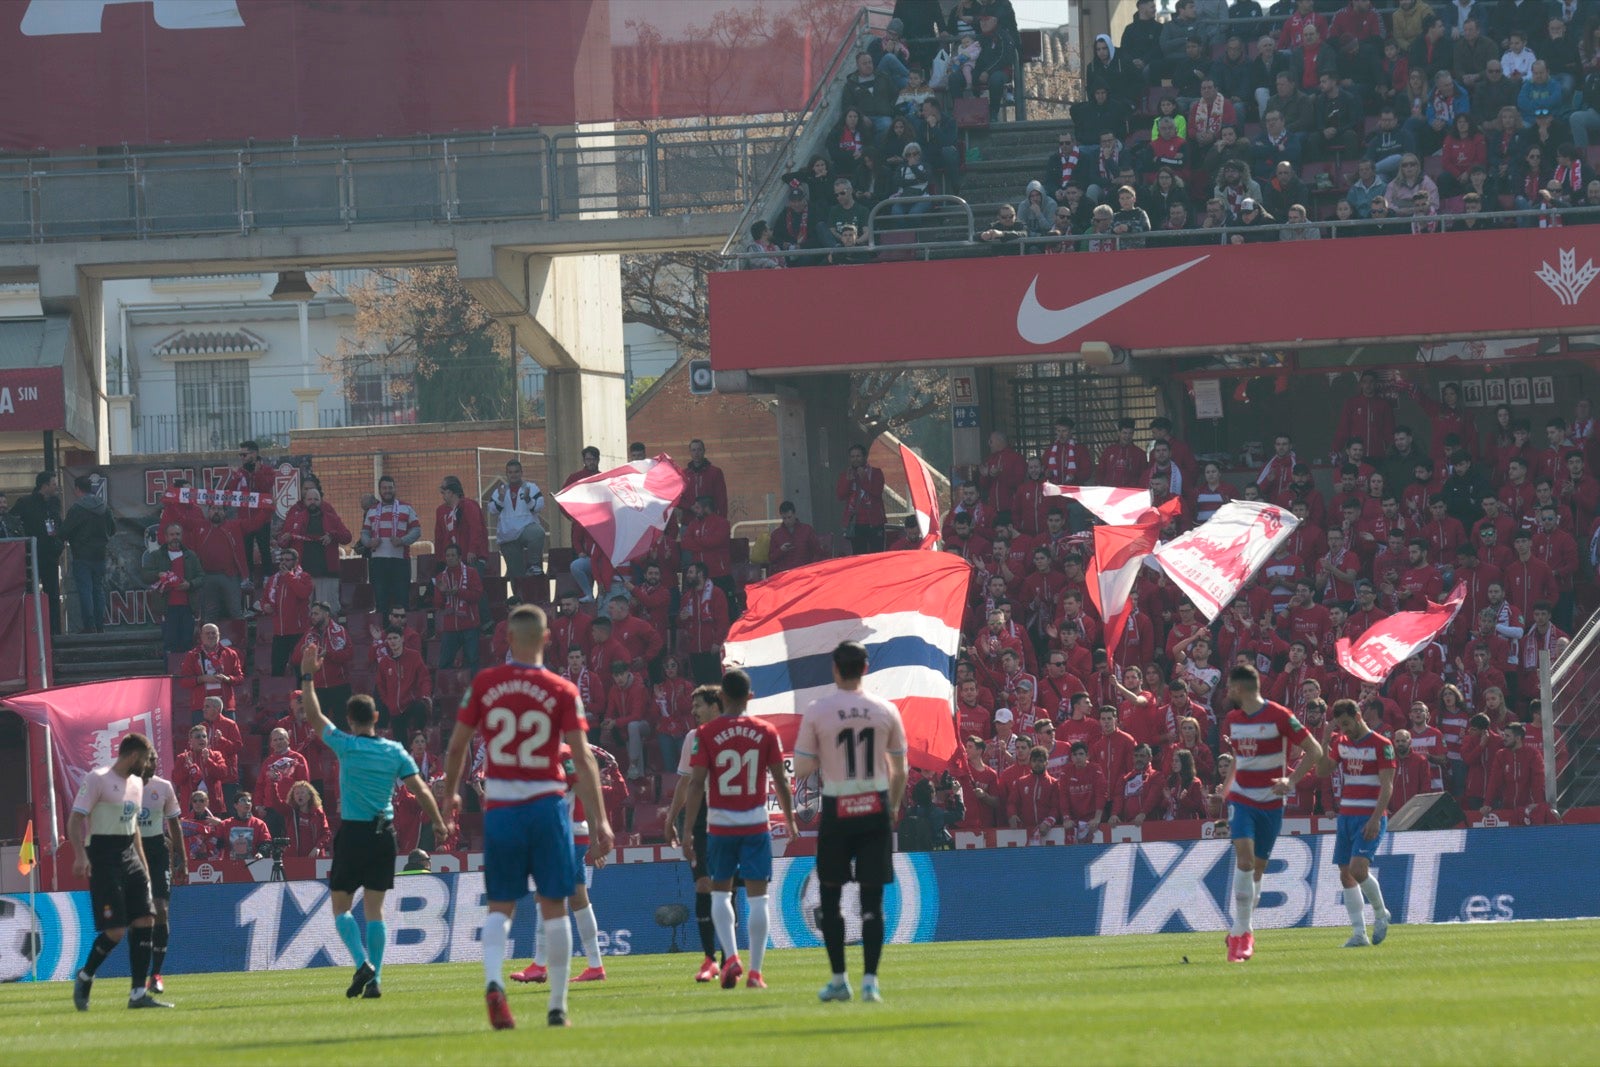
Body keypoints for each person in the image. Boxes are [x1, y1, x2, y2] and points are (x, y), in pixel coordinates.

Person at [441, 604, 612, 1030]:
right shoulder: (561, 689)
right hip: (547, 804)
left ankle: (495, 982)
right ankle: (556, 1007)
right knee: (554, 904)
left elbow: (457, 745)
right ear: (548, 638)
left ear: (508, 640)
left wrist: (449, 795)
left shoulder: (484, 684)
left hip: (501, 807)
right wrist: (602, 819)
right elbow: (586, 761)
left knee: (500, 906)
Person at [297, 643, 447, 1002]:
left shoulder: (346, 745)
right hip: (384, 836)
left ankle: (361, 962)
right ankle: (376, 978)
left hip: (353, 834)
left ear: (350, 721)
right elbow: (422, 790)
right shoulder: (395, 751)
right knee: (375, 911)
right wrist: (439, 822)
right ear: (377, 718)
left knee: (340, 907)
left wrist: (307, 675)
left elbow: (315, 717)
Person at [792, 641, 908, 1004]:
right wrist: (892, 805)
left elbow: (802, 767)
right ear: (866, 667)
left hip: (838, 806)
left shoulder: (818, 711)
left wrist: (827, 757)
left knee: (830, 897)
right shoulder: (884, 709)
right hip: (874, 804)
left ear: (835, 668)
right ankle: (871, 981)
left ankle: (839, 978)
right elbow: (900, 767)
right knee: (873, 900)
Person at [682, 668, 796, 992]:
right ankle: (756, 972)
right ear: (750, 697)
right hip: (755, 823)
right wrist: (789, 818)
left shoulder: (706, 734)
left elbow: (695, 784)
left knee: (721, 891)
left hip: (719, 825)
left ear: (721, 697)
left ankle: (730, 956)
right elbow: (780, 780)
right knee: (759, 897)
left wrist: (689, 829)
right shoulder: (765, 731)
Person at [1219, 664, 1323, 963]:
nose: (1228, 692)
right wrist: (1225, 792)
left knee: (1258, 870)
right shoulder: (1233, 720)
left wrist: (1291, 781)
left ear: (1240, 688)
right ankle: (1243, 934)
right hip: (1242, 799)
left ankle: (1238, 928)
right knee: (1246, 860)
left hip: (1272, 803)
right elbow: (1239, 759)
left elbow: (1314, 750)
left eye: (1230, 686)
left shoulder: (1280, 716)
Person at [69, 732, 168, 1009]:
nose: (149, 765)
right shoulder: (97, 778)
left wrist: (144, 867)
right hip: (102, 855)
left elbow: (134, 826)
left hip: (129, 854)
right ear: (134, 756)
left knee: (146, 919)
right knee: (115, 931)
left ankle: (137, 994)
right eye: (147, 759)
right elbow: (75, 819)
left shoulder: (137, 784)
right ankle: (86, 976)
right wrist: (80, 855)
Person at [509, 744, 613, 985]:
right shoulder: (537, 753)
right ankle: (595, 966)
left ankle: (540, 964)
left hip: (567, 835)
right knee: (578, 899)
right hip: (564, 835)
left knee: (546, 896)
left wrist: (596, 840)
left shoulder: (563, 753)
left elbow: (585, 794)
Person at [662, 684, 735, 983]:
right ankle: (710, 959)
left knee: (728, 888)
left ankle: (730, 954)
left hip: (733, 814)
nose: (693, 711)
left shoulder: (736, 733)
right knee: (703, 885)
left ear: (715, 705)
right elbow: (686, 783)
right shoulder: (693, 738)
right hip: (702, 814)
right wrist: (672, 819)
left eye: (698, 706)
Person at [1316, 699, 1395, 947]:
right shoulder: (1341, 743)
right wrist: (1327, 738)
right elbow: (1322, 771)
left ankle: (1381, 913)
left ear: (1359, 716)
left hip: (1369, 816)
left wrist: (1375, 818)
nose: (1345, 729)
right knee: (1345, 875)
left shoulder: (1382, 744)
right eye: (1340, 725)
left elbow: (1387, 786)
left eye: (1347, 723)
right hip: (1346, 816)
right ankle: (1359, 933)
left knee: (1358, 870)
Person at [136, 753, 185, 996]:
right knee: (141, 915)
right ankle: (138, 976)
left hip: (156, 849)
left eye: (154, 761)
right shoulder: (124, 786)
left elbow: (174, 824)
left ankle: (156, 974)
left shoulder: (163, 787)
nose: (151, 765)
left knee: (161, 909)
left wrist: (183, 860)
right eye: (147, 760)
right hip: (132, 850)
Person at [360, 475, 422, 617]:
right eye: (384, 488)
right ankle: (383, 636)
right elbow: (364, 533)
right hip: (378, 562)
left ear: (395, 488)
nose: (387, 491)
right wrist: (369, 542)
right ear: (380, 491)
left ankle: (402, 636)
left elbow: (417, 530)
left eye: (390, 487)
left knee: (402, 601)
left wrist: (403, 540)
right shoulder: (372, 510)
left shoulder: (406, 508)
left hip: (400, 561)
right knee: (381, 603)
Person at [62, 474, 115, 633]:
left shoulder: (77, 508)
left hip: (81, 555)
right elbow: (113, 529)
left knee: (85, 590)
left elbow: (64, 531)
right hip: (100, 554)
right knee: (98, 590)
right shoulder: (104, 506)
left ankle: (89, 625)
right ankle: (100, 625)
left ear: (77, 489)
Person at [142, 523, 203, 657]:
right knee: (170, 644)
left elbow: (201, 577)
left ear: (182, 536)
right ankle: (170, 674)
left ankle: (187, 674)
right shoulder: (156, 556)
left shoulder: (191, 556)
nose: (175, 537)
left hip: (188, 608)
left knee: (187, 643)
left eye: (177, 534)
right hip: (167, 608)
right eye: (172, 534)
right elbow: (145, 575)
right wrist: (158, 575)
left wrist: (190, 584)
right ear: (165, 537)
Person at [14, 470, 63, 633]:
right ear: (44, 485)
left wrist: (58, 544)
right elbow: (12, 522)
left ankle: (54, 631)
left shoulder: (54, 503)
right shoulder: (25, 503)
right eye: (54, 484)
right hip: (31, 557)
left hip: (50, 556)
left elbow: (59, 525)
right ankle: (32, 630)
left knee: (53, 595)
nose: (57, 487)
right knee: (31, 594)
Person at [489, 459, 547, 578]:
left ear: (521, 472)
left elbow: (539, 507)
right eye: (510, 472)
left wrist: (528, 499)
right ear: (507, 474)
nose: (513, 475)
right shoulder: (499, 490)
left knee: (537, 532)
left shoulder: (531, 487)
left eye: (516, 472)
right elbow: (492, 510)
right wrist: (500, 498)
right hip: (507, 535)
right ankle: (518, 596)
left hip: (526, 528)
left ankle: (534, 564)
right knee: (516, 575)